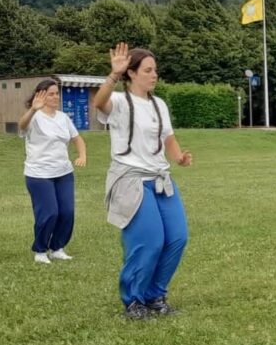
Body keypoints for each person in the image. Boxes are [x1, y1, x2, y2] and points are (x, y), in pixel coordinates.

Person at [93, 44, 193, 319]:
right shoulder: (120, 102)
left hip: (161, 178)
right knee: (148, 240)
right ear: (132, 73)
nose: (154, 75)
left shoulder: (159, 104)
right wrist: (113, 75)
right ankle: (134, 301)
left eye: (155, 70)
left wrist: (179, 157)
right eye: (148, 70)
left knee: (177, 237)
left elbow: (168, 137)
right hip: (131, 180)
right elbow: (98, 103)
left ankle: (155, 296)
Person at [18, 77, 86, 265]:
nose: (56, 97)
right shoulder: (34, 117)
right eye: (51, 94)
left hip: (63, 172)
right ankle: (40, 251)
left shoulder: (63, 118)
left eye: (57, 94)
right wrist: (33, 109)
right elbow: (21, 126)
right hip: (39, 174)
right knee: (49, 213)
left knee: (67, 212)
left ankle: (57, 248)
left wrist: (82, 155)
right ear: (41, 96)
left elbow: (77, 138)